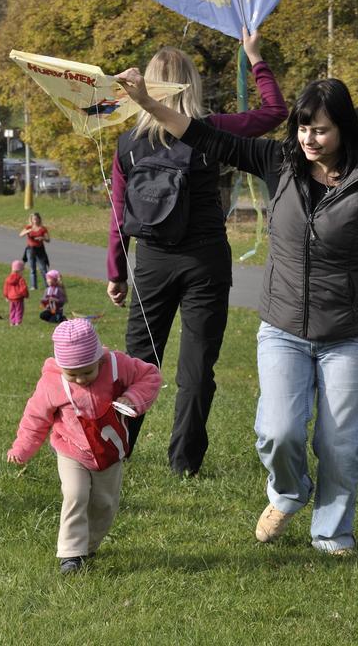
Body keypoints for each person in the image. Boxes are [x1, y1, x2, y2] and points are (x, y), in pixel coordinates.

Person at [117, 64, 358, 555]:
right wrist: (150, 103)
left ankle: (332, 533)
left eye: (321, 128)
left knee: (339, 446)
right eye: (303, 126)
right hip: (284, 327)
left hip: (349, 332)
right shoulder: (275, 160)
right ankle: (288, 493)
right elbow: (202, 135)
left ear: (343, 128)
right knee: (277, 431)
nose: (309, 137)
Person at [105, 28, 287, 476]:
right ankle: (184, 463)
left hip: (150, 262)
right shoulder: (212, 130)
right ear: (191, 84)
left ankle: (118, 451)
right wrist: (254, 57)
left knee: (137, 364)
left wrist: (116, 271)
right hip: (205, 260)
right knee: (197, 367)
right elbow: (274, 113)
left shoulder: (128, 142)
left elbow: (117, 211)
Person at [6, 318, 162, 574]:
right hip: (71, 450)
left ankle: (89, 545)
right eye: (72, 374)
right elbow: (35, 417)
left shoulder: (116, 366)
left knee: (104, 503)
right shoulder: (52, 382)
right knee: (75, 494)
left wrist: (133, 398)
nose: (80, 379)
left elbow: (150, 376)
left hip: (109, 451)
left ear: (99, 359)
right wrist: (22, 448)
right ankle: (71, 554)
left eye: (87, 372)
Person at [19, 212, 50, 290]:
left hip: (40, 250)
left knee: (43, 268)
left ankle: (48, 285)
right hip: (30, 250)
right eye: (33, 219)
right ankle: (33, 286)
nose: (35, 220)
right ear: (31, 220)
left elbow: (48, 239)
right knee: (32, 269)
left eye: (36, 218)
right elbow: (20, 234)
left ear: (39, 219)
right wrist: (27, 231)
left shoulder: (43, 228)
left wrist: (42, 238)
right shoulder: (28, 227)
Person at [3, 259, 29, 326]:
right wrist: (26, 295)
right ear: (20, 271)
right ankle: (18, 322)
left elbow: (6, 288)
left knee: (12, 310)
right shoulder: (20, 279)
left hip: (11, 298)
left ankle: (12, 322)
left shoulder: (8, 279)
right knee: (19, 310)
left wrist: (6, 296)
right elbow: (23, 288)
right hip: (18, 297)